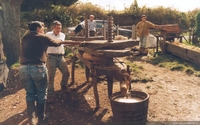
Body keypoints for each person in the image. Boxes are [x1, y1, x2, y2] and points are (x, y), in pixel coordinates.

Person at [19, 21, 62, 125]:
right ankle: (41, 119)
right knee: (41, 93)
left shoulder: (24, 38)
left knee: (30, 93)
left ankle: (32, 120)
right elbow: (56, 43)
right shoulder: (43, 37)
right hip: (38, 68)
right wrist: (60, 40)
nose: (43, 30)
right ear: (38, 28)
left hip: (23, 68)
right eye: (42, 28)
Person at [46, 20, 70, 94]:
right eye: (57, 28)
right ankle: (50, 91)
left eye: (60, 28)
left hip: (60, 57)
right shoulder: (48, 34)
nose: (58, 30)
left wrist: (52, 42)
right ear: (53, 28)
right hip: (51, 57)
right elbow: (55, 42)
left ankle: (63, 86)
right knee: (51, 76)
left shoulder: (62, 35)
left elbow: (58, 42)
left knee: (66, 73)